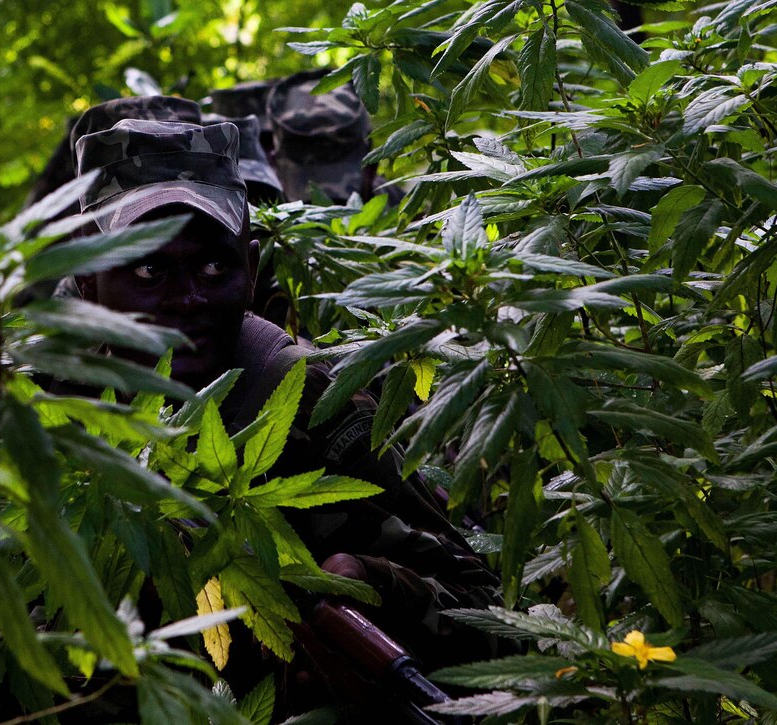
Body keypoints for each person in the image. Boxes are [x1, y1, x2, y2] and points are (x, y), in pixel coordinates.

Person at [71, 111, 497, 713]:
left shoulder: (307, 398)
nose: (188, 297)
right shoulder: (53, 410)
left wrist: (371, 588)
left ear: (250, 268)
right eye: (148, 269)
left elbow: (483, 608)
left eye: (215, 266)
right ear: (88, 282)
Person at [268, 69, 404, 206]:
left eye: (343, 204)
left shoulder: (402, 208)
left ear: (371, 167)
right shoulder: (253, 211)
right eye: (307, 206)